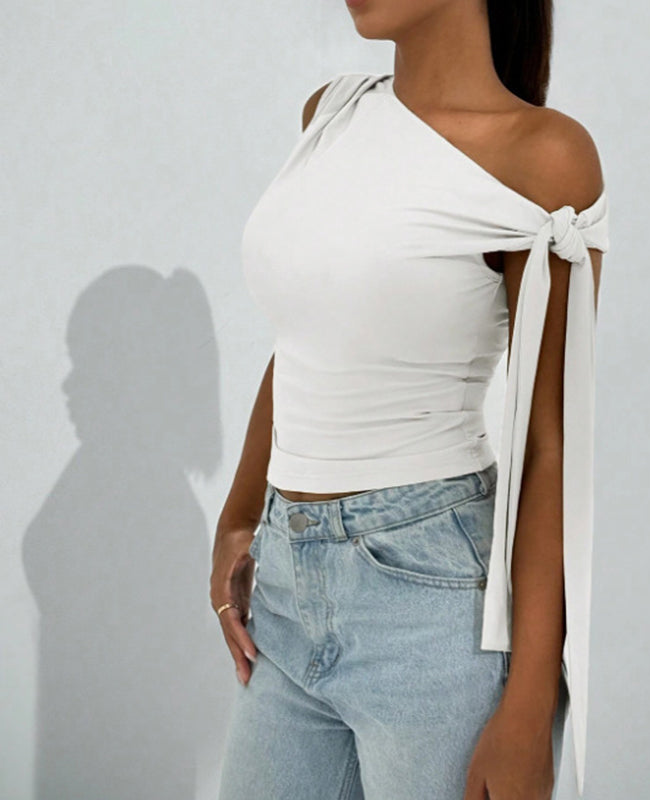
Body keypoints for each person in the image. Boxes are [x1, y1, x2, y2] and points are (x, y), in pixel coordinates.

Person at [210, 1, 610, 798]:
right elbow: (305, 340)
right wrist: (239, 515)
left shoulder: (542, 155)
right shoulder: (330, 114)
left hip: (434, 604)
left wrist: (531, 701)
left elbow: (550, 443)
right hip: (284, 590)